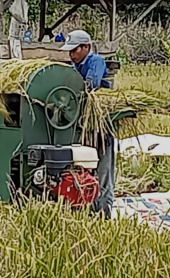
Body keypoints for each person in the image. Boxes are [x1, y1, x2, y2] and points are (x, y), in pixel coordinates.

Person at [59, 30, 115, 218]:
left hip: (100, 122)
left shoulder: (95, 62)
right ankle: (83, 203)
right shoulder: (75, 65)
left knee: (103, 168)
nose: (71, 55)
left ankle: (103, 211)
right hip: (83, 123)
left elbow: (89, 86)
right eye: (69, 51)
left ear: (86, 47)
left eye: (74, 50)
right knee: (84, 164)